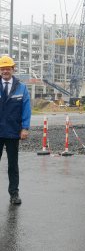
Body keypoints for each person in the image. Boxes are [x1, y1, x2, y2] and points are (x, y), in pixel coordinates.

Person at [0, 55, 31, 205]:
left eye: (8, 68)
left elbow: (26, 109)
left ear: (13, 69)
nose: (5, 70)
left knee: (13, 164)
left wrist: (25, 127)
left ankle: (14, 193)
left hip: (13, 132)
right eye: (3, 68)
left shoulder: (21, 87)